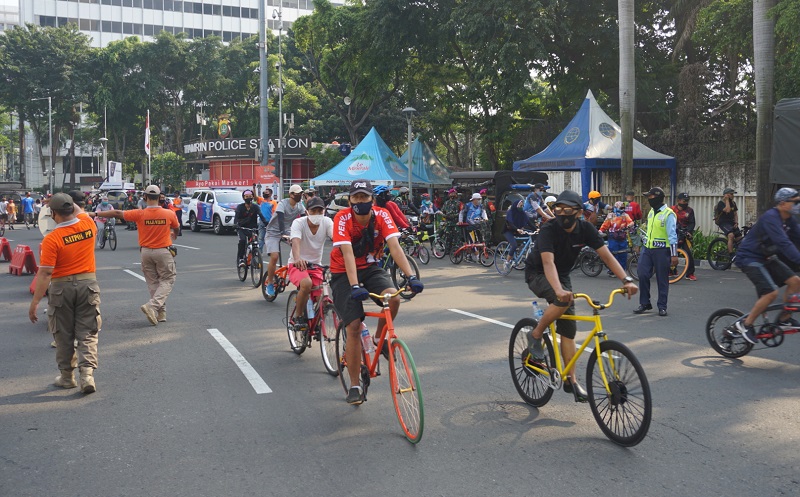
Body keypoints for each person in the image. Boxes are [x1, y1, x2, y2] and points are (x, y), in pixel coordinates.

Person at [525, 190, 638, 401]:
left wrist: (627, 280)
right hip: (538, 273)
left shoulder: (585, 228)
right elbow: (548, 263)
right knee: (561, 299)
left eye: (567, 209)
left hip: (563, 275)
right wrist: (558, 290)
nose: (561, 213)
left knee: (569, 330)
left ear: (578, 212)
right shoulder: (549, 230)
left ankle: (571, 380)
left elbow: (606, 255)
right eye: (557, 209)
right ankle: (536, 334)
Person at [330, 180, 424, 404]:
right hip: (344, 272)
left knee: (394, 298)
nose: (360, 201)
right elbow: (347, 253)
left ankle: (378, 339)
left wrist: (411, 276)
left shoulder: (382, 215)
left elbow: (395, 247)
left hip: (371, 268)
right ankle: (354, 385)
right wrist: (354, 286)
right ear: (350, 199)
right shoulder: (341, 218)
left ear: (372, 198)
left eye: (365, 197)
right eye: (356, 198)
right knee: (352, 325)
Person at [29, 193, 101, 394]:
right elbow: (80, 211)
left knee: (63, 334)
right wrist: (65, 199)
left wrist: (35, 302)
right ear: (72, 208)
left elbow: (45, 273)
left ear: (52, 213)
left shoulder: (52, 238)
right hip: (88, 284)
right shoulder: (88, 225)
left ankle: (67, 377)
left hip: (61, 288)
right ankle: (87, 375)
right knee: (87, 332)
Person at [94, 185, 179, 325]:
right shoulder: (168, 214)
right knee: (168, 279)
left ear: (144, 197)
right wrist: (173, 235)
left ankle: (161, 313)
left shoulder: (140, 214)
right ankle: (152, 306)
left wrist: (95, 214)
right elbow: (176, 228)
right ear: (159, 198)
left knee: (153, 282)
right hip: (163, 251)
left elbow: (116, 213)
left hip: (145, 252)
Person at [734, 188, 800, 344]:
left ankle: (784, 319)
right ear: (783, 203)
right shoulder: (771, 217)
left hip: (766, 257)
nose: (798, 205)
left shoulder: (789, 219)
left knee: (795, 282)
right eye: (796, 202)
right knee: (771, 293)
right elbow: (784, 243)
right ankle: (745, 324)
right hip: (749, 258)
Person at [287, 196, 334, 331]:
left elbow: (336, 238)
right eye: (314, 211)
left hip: (316, 266)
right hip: (297, 265)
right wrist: (297, 259)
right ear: (307, 211)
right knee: (306, 284)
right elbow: (295, 241)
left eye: (320, 210)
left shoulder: (327, 222)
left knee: (323, 297)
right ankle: (299, 316)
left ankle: (317, 321)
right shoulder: (299, 223)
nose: (317, 214)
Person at [634, 187, 678, 317]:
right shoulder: (651, 212)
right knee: (642, 273)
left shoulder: (669, 214)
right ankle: (645, 303)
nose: (648, 199)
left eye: (650, 197)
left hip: (662, 250)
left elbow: (672, 235)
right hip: (648, 249)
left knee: (662, 279)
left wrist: (674, 254)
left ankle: (662, 306)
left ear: (658, 197)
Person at [263, 184, 307, 298]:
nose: (300, 196)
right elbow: (281, 219)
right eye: (297, 194)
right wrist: (282, 233)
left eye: (301, 194)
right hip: (273, 231)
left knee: (300, 248)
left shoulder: (299, 205)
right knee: (274, 256)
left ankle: (295, 271)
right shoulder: (283, 203)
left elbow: (304, 219)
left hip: (287, 231)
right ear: (291, 195)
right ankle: (270, 283)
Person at [599, 201, 634, 276]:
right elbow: (605, 225)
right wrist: (600, 231)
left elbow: (631, 222)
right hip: (613, 238)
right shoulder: (611, 215)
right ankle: (612, 271)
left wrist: (629, 226)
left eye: (623, 207)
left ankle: (621, 271)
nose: (622, 209)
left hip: (622, 237)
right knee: (614, 255)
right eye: (621, 207)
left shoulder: (625, 215)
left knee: (623, 254)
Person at [235, 189, 268, 266]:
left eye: (250, 196)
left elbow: (261, 216)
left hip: (253, 228)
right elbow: (236, 217)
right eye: (246, 197)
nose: (248, 198)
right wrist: (236, 224)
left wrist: (267, 223)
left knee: (255, 242)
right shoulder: (240, 207)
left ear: (253, 197)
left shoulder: (255, 207)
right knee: (242, 241)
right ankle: (241, 259)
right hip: (242, 228)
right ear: (243, 198)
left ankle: (253, 257)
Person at [500, 194, 530, 270]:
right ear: (516, 205)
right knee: (514, 245)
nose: (521, 207)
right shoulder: (511, 212)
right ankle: (507, 261)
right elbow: (510, 223)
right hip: (508, 231)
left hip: (517, 230)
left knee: (527, 239)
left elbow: (529, 222)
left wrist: (537, 229)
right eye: (520, 205)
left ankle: (519, 253)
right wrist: (517, 229)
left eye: (522, 206)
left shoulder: (522, 213)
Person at [671, 192, 697, 281]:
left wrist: (689, 231)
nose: (686, 202)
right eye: (684, 200)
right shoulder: (672, 209)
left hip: (684, 234)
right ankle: (672, 271)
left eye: (687, 201)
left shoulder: (690, 211)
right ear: (679, 200)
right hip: (673, 234)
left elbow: (692, 223)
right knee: (672, 253)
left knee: (688, 254)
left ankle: (690, 274)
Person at [459, 193, 489, 259]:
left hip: (478, 226)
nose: (479, 201)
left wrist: (485, 218)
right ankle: (477, 257)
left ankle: (472, 255)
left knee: (479, 242)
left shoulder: (481, 206)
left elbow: (484, 213)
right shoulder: (468, 205)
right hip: (469, 226)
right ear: (474, 200)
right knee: (472, 242)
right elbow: (461, 213)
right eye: (478, 199)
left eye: (480, 199)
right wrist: (460, 220)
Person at [715, 187, 742, 255]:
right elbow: (728, 210)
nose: (733, 196)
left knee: (739, 238)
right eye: (731, 194)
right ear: (726, 194)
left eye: (733, 194)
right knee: (731, 235)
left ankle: (737, 252)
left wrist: (736, 222)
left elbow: (735, 214)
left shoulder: (733, 203)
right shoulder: (720, 203)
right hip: (723, 222)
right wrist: (726, 199)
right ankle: (731, 254)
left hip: (731, 222)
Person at [257, 187, 277, 252]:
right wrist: (254, 188)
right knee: (261, 237)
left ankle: (271, 251)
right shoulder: (261, 200)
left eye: (266, 192)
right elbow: (255, 197)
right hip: (262, 221)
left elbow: (274, 212)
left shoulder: (273, 202)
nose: (264, 193)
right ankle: (259, 252)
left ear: (270, 194)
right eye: (264, 192)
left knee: (270, 237)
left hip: (270, 222)